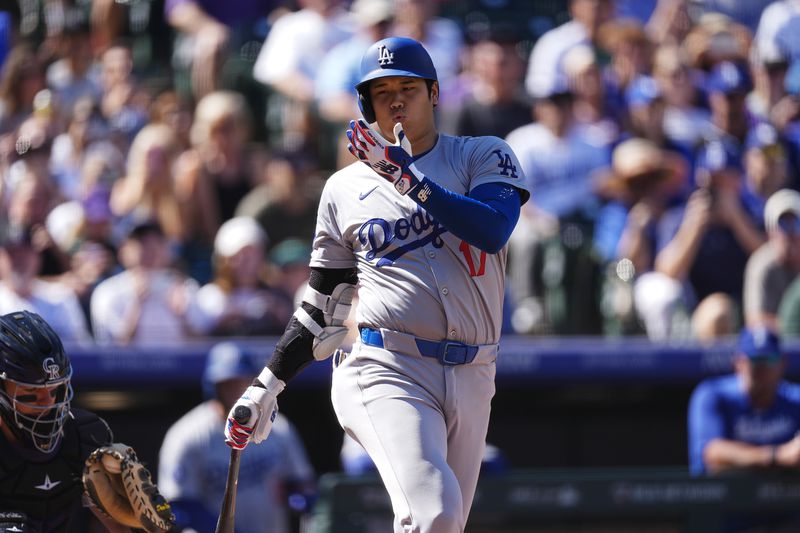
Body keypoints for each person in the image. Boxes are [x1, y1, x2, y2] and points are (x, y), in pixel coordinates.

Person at [223, 36, 530, 533]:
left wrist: (407, 178)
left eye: (407, 87)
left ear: (434, 93)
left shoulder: (481, 155)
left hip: (474, 370)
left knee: (443, 523)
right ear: (365, 105)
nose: (395, 100)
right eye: (380, 91)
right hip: (386, 364)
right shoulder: (344, 188)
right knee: (433, 514)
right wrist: (267, 385)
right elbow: (322, 307)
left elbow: (493, 229)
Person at [0, 310, 158, 532]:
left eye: (55, 391)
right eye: (31, 394)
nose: (48, 405)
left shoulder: (84, 434)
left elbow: (120, 525)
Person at [159, 341, 314, 533]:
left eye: (241, 381)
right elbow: (179, 506)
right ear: (214, 386)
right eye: (228, 383)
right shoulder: (186, 435)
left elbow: (299, 484)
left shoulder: (278, 427)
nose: (236, 389)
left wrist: (302, 501)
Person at [688, 324, 800, 530]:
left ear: (782, 363)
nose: (761, 369)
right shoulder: (712, 394)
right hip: (729, 522)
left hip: (786, 520)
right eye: (754, 360)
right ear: (738, 362)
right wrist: (778, 456)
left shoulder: (795, 399)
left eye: (769, 360)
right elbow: (712, 455)